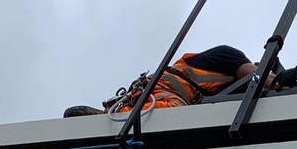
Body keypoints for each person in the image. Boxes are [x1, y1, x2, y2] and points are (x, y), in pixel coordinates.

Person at [63, 45, 273, 117]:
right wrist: (282, 81)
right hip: (168, 91)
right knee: (174, 113)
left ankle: (107, 115)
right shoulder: (231, 56)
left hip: (156, 89)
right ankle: (105, 118)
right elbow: (260, 77)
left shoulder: (226, 84)